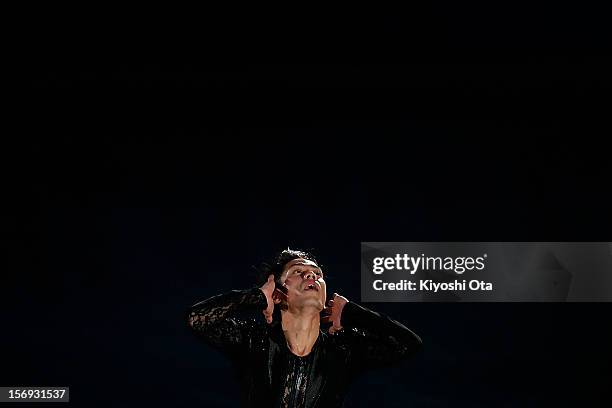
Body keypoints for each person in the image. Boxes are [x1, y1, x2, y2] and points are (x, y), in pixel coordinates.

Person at [186, 248, 422, 407]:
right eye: (298, 272)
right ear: (277, 293)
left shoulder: (343, 349)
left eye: (317, 274)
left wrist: (354, 313)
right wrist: (255, 297)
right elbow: (197, 318)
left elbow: (409, 344)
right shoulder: (253, 340)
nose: (311, 274)